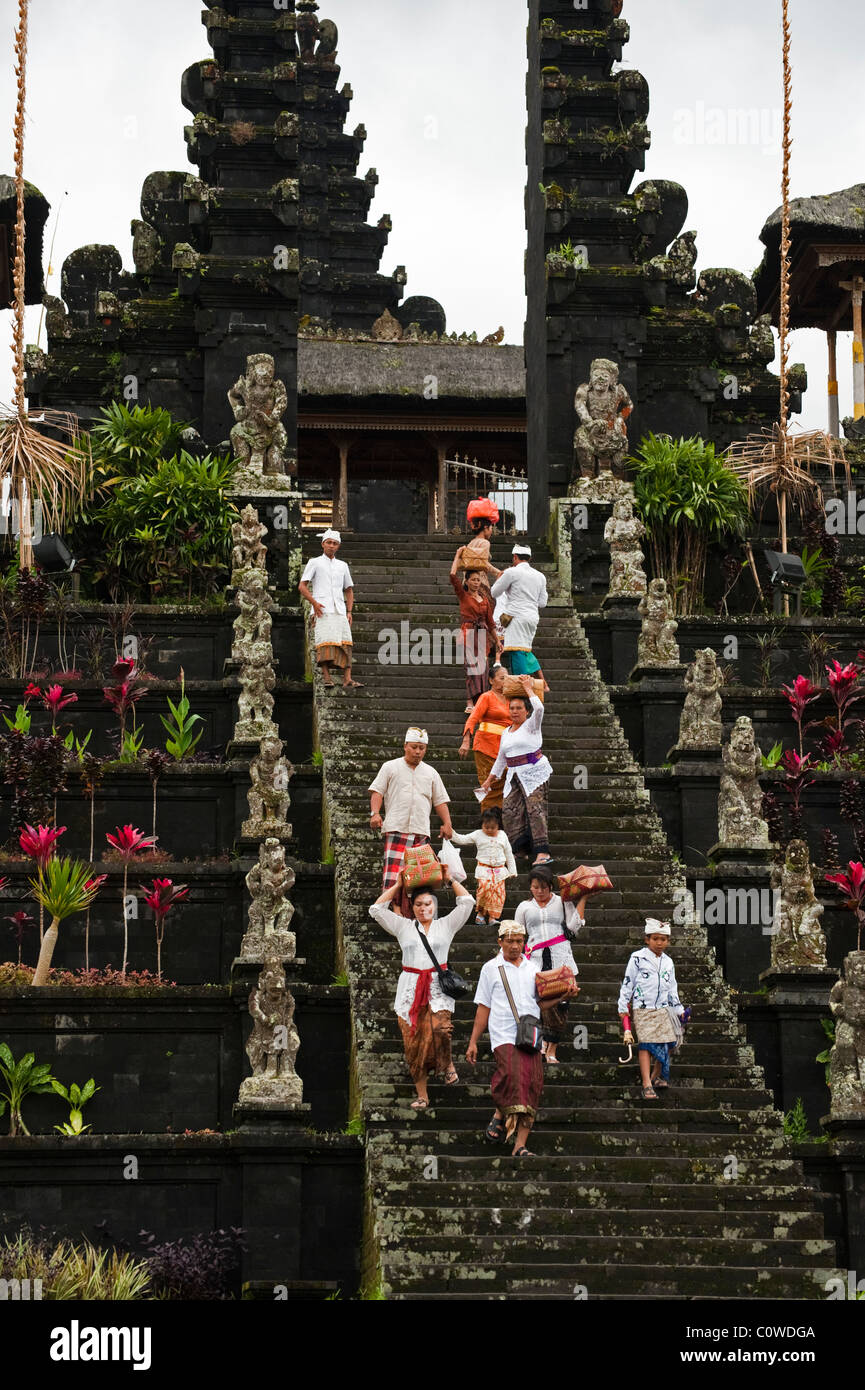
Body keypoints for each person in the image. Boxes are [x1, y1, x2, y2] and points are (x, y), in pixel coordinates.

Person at [371, 867, 475, 1109]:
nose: (423, 908)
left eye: (427, 904)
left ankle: (447, 1062)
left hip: (437, 988)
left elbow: (467, 902)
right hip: (409, 988)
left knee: (441, 1028)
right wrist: (397, 886)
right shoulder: (404, 927)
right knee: (413, 1043)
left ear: (434, 906)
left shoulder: (446, 926)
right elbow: (375, 910)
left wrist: (449, 879)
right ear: (412, 907)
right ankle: (422, 1095)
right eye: (418, 904)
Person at [467, 920, 543, 1156]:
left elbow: (542, 1002)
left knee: (533, 1085)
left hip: (530, 1034)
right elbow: (483, 1007)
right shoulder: (491, 968)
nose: (515, 946)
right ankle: (500, 1112)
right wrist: (473, 1041)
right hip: (503, 1033)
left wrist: (565, 994)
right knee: (510, 1074)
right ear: (499, 942)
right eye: (510, 941)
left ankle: (520, 1145)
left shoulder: (533, 968)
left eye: (519, 941)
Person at [369, 727, 454, 916]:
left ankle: (416, 914)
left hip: (420, 831)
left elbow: (440, 800)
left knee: (420, 878)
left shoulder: (431, 773)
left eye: (422, 748)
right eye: (414, 747)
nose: (418, 752)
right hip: (396, 828)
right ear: (405, 746)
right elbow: (377, 791)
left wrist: (447, 823)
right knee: (394, 876)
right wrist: (375, 813)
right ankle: (394, 912)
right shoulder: (390, 767)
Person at [515, 866, 588, 1063]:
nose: (540, 892)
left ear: (550, 887)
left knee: (562, 1004)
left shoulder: (561, 901)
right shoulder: (524, 907)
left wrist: (583, 899)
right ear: (530, 887)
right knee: (539, 1004)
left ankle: (552, 1049)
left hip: (561, 957)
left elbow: (574, 927)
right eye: (535, 887)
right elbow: (517, 935)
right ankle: (541, 1043)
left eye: (544, 887)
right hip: (535, 960)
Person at [480, 674, 553, 869]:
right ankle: (520, 848)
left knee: (535, 810)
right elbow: (501, 759)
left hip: (533, 771)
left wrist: (529, 688)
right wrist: (488, 781)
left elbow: (539, 708)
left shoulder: (532, 725)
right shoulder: (506, 732)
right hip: (513, 773)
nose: (514, 711)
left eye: (518, 708)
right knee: (510, 811)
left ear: (526, 711)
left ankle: (542, 852)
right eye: (511, 708)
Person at [617, 918, 689, 1101]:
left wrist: (679, 1009)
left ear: (668, 941)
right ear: (647, 939)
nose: (659, 943)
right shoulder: (637, 958)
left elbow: (672, 987)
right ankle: (646, 1084)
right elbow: (628, 983)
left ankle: (656, 1076)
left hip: (663, 1009)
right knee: (646, 1045)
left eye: (663, 939)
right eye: (655, 938)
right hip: (643, 1008)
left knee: (670, 1043)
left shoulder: (668, 962)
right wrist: (623, 1005)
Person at [299, 528, 363, 692]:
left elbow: (348, 589)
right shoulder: (314, 562)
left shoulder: (342, 565)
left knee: (346, 641)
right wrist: (314, 603)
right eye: (329, 543)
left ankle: (347, 679)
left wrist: (349, 611)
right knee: (325, 643)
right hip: (322, 609)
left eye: (335, 543)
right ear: (323, 544)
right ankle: (327, 677)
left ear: (338, 546)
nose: (331, 546)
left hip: (340, 609)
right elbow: (302, 586)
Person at [490, 544, 549, 689]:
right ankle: (523, 686)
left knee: (516, 652)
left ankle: (522, 689)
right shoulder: (540, 576)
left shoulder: (512, 572)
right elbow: (542, 603)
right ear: (530, 558)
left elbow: (494, 592)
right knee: (523, 651)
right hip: (532, 618)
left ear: (515, 557)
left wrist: (502, 580)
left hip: (516, 617)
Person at [450, 806, 517, 927]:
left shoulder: (502, 835)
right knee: (484, 890)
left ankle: (492, 917)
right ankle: (480, 914)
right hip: (484, 869)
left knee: (498, 893)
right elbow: (462, 839)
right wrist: (451, 833)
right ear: (482, 824)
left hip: (499, 870)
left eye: (493, 827)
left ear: (498, 826)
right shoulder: (478, 834)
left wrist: (512, 870)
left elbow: (508, 853)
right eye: (486, 827)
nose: (490, 830)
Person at [449, 549, 497, 714]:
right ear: (467, 581)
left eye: (479, 580)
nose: (477, 583)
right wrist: (457, 556)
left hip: (483, 636)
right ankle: (470, 702)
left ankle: (481, 702)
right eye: (474, 580)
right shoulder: (463, 595)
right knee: (471, 668)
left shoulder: (484, 600)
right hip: (468, 634)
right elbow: (452, 576)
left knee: (483, 669)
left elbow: (491, 623)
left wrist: (497, 641)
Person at [459, 664, 510, 810]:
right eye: (501, 678)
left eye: (507, 678)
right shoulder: (486, 697)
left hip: (504, 748)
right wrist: (466, 740)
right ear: (491, 680)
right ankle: (489, 821)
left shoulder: (510, 698)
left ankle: (498, 823)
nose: (505, 681)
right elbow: (473, 718)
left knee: (504, 783)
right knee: (490, 784)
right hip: (486, 746)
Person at [457, 516, 502, 598]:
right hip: (479, 581)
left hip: (468, 581)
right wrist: (498, 573)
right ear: (485, 528)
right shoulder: (485, 543)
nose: (491, 531)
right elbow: (483, 563)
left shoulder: (471, 542)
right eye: (491, 528)